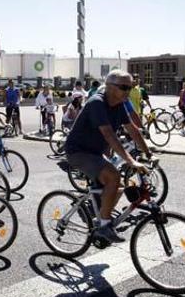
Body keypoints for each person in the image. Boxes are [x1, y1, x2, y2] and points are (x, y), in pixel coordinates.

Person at [64, 69, 151, 243]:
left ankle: (101, 216)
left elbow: (132, 130)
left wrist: (148, 153)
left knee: (119, 186)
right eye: (124, 87)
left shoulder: (118, 105)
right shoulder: (97, 102)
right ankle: (104, 226)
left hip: (94, 152)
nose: (128, 91)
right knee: (113, 176)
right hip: (78, 151)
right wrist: (131, 161)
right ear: (110, 87)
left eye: (130, 87)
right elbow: (109, 135)